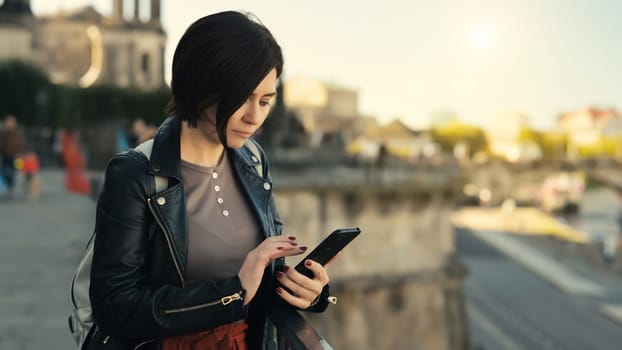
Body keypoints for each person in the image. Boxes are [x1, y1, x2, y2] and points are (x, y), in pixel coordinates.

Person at [89, 11, 334, 350]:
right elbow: (114, 306)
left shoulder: (254, 160)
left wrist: (309, 293)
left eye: (265, 101)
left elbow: (263, 277)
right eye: (240, 99)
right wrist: (233, 293)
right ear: (199, 85)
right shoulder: (135, 174)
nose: (254, 116)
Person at [0, 114, 25, 196]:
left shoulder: (18, 133)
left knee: (15, 172)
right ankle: (9, 185)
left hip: (16, 156)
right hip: (6, 156)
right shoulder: (3, 133)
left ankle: (12, 186)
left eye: (11, 122)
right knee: (4, 171)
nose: (9, 123)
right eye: (8, 121)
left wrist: (21, 154)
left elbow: (21, 144)